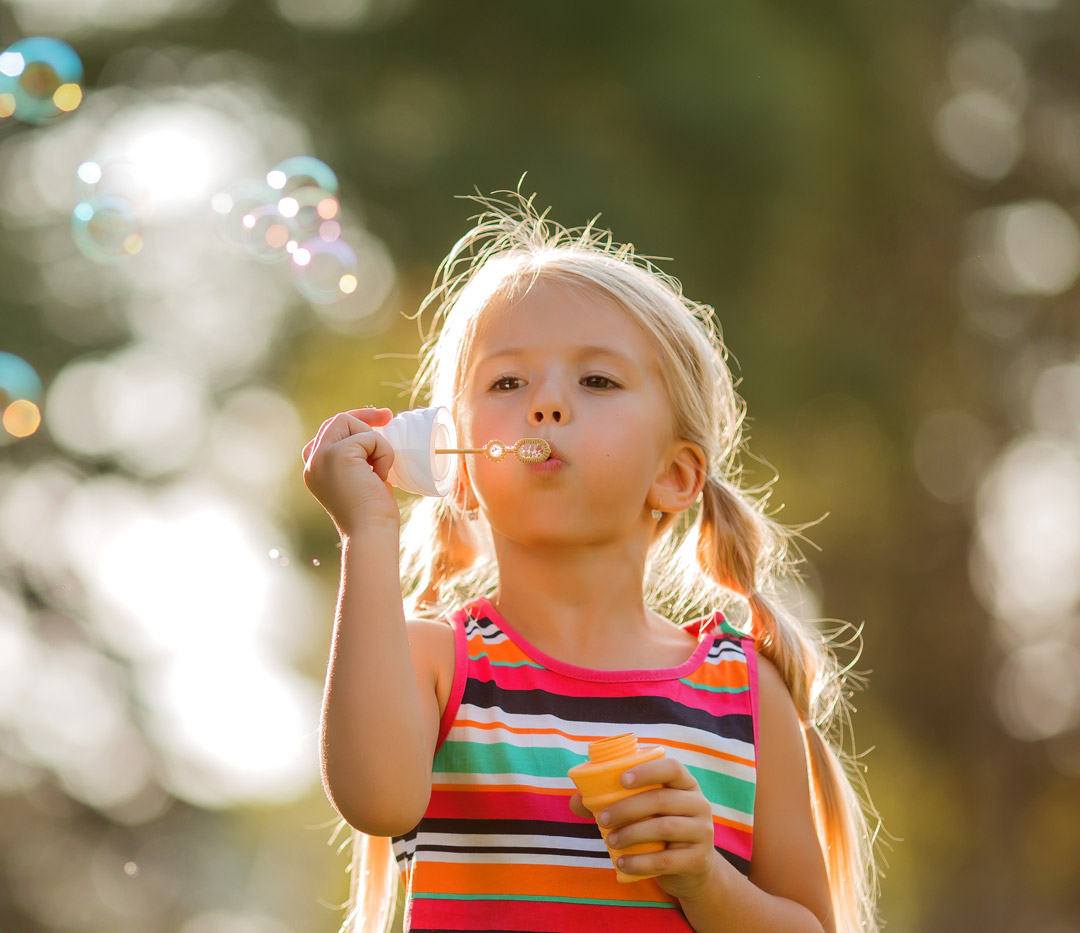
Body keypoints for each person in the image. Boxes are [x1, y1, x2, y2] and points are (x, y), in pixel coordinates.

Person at [302, 192, 880, 933]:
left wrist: (704, 879)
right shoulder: (434, 663)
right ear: (461, 467)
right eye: (507, 383)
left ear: (675, 474)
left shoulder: (743, 693)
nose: (544, 404)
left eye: (597, 381)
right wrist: (368, 534)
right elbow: (374, 799)